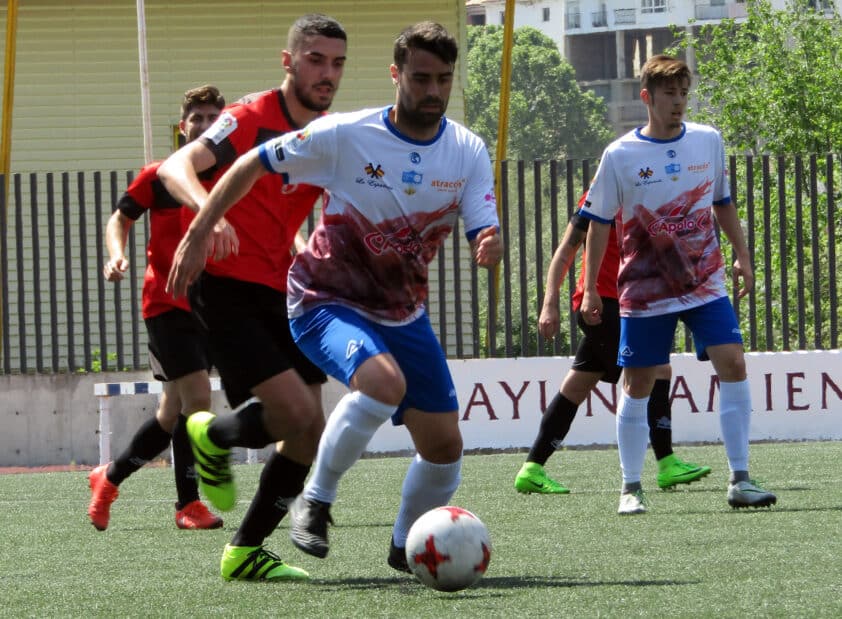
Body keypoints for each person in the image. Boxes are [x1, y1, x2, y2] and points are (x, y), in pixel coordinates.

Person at [166, 21, 502, 574]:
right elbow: (253, 160)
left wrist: (488, 244)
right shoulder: (347, 133)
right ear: (396, 75)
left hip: (403, 312)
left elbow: (481, 226)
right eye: (420, 78)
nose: (433, 91)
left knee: (444, 447)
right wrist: (204, 228)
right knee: (373, 387)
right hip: (325, 299)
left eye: (444, 79)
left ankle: (403, 548)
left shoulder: (466, 151)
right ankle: (314, 502)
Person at [157, 14, 347, 581]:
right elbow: (176, 166)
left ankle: (244, 551)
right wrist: (205, 216)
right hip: (225, 286)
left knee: (311, 426)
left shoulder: (328, 136)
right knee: (292, 411)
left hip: (284, 289)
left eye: (337, 63)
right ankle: (211, 434)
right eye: (315, 59)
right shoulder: (247, 118)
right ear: (287, 62)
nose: (327, 73)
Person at [578, 54, 777, 514]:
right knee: (638, 382)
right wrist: (590, 288)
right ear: (646, 96)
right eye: (669, 94)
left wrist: (742, 256)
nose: (679, 103)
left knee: (733, 362)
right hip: (646, 290)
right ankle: (630, 487)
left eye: (684, 93)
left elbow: (722, 203)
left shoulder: (708, 141)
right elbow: (599, 224)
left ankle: (740, 479)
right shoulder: (620, 154)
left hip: (705, 281)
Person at [88, 85, 227, 532]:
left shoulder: (231, 178)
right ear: (182, 126)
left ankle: (108, 479)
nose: (204, 126)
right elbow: (121, 217)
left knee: (171, 412)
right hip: (166, 303)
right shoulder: (162, 175)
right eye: (197, 119)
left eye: (213, 118)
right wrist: (115, 253)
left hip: (211, 305)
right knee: (198, 398)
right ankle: (188, 504)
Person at [514, 193, 711, 496]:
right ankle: (667, 462)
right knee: (657, 368)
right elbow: (566, 250)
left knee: (578, 384)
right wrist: (549, 303)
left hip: (630, 304)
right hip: (601, 305)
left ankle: (532, 468)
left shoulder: (650, 197)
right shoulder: (598, 197)